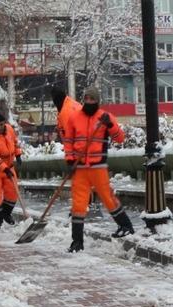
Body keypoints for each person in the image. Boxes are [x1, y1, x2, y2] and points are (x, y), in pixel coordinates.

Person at [62, 86, 133, 252]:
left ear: (97, 101)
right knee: (78, 205)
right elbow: (68, 142)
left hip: (98, 166)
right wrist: (70, 161)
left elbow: (120, 138)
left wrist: (110, 125)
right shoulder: (73, 118)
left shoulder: (105, 117)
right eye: (86, 99)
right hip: (79, 168)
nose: (89, 102)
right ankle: (77, 242)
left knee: (108, 197)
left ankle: (126, 226)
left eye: (92, 99)